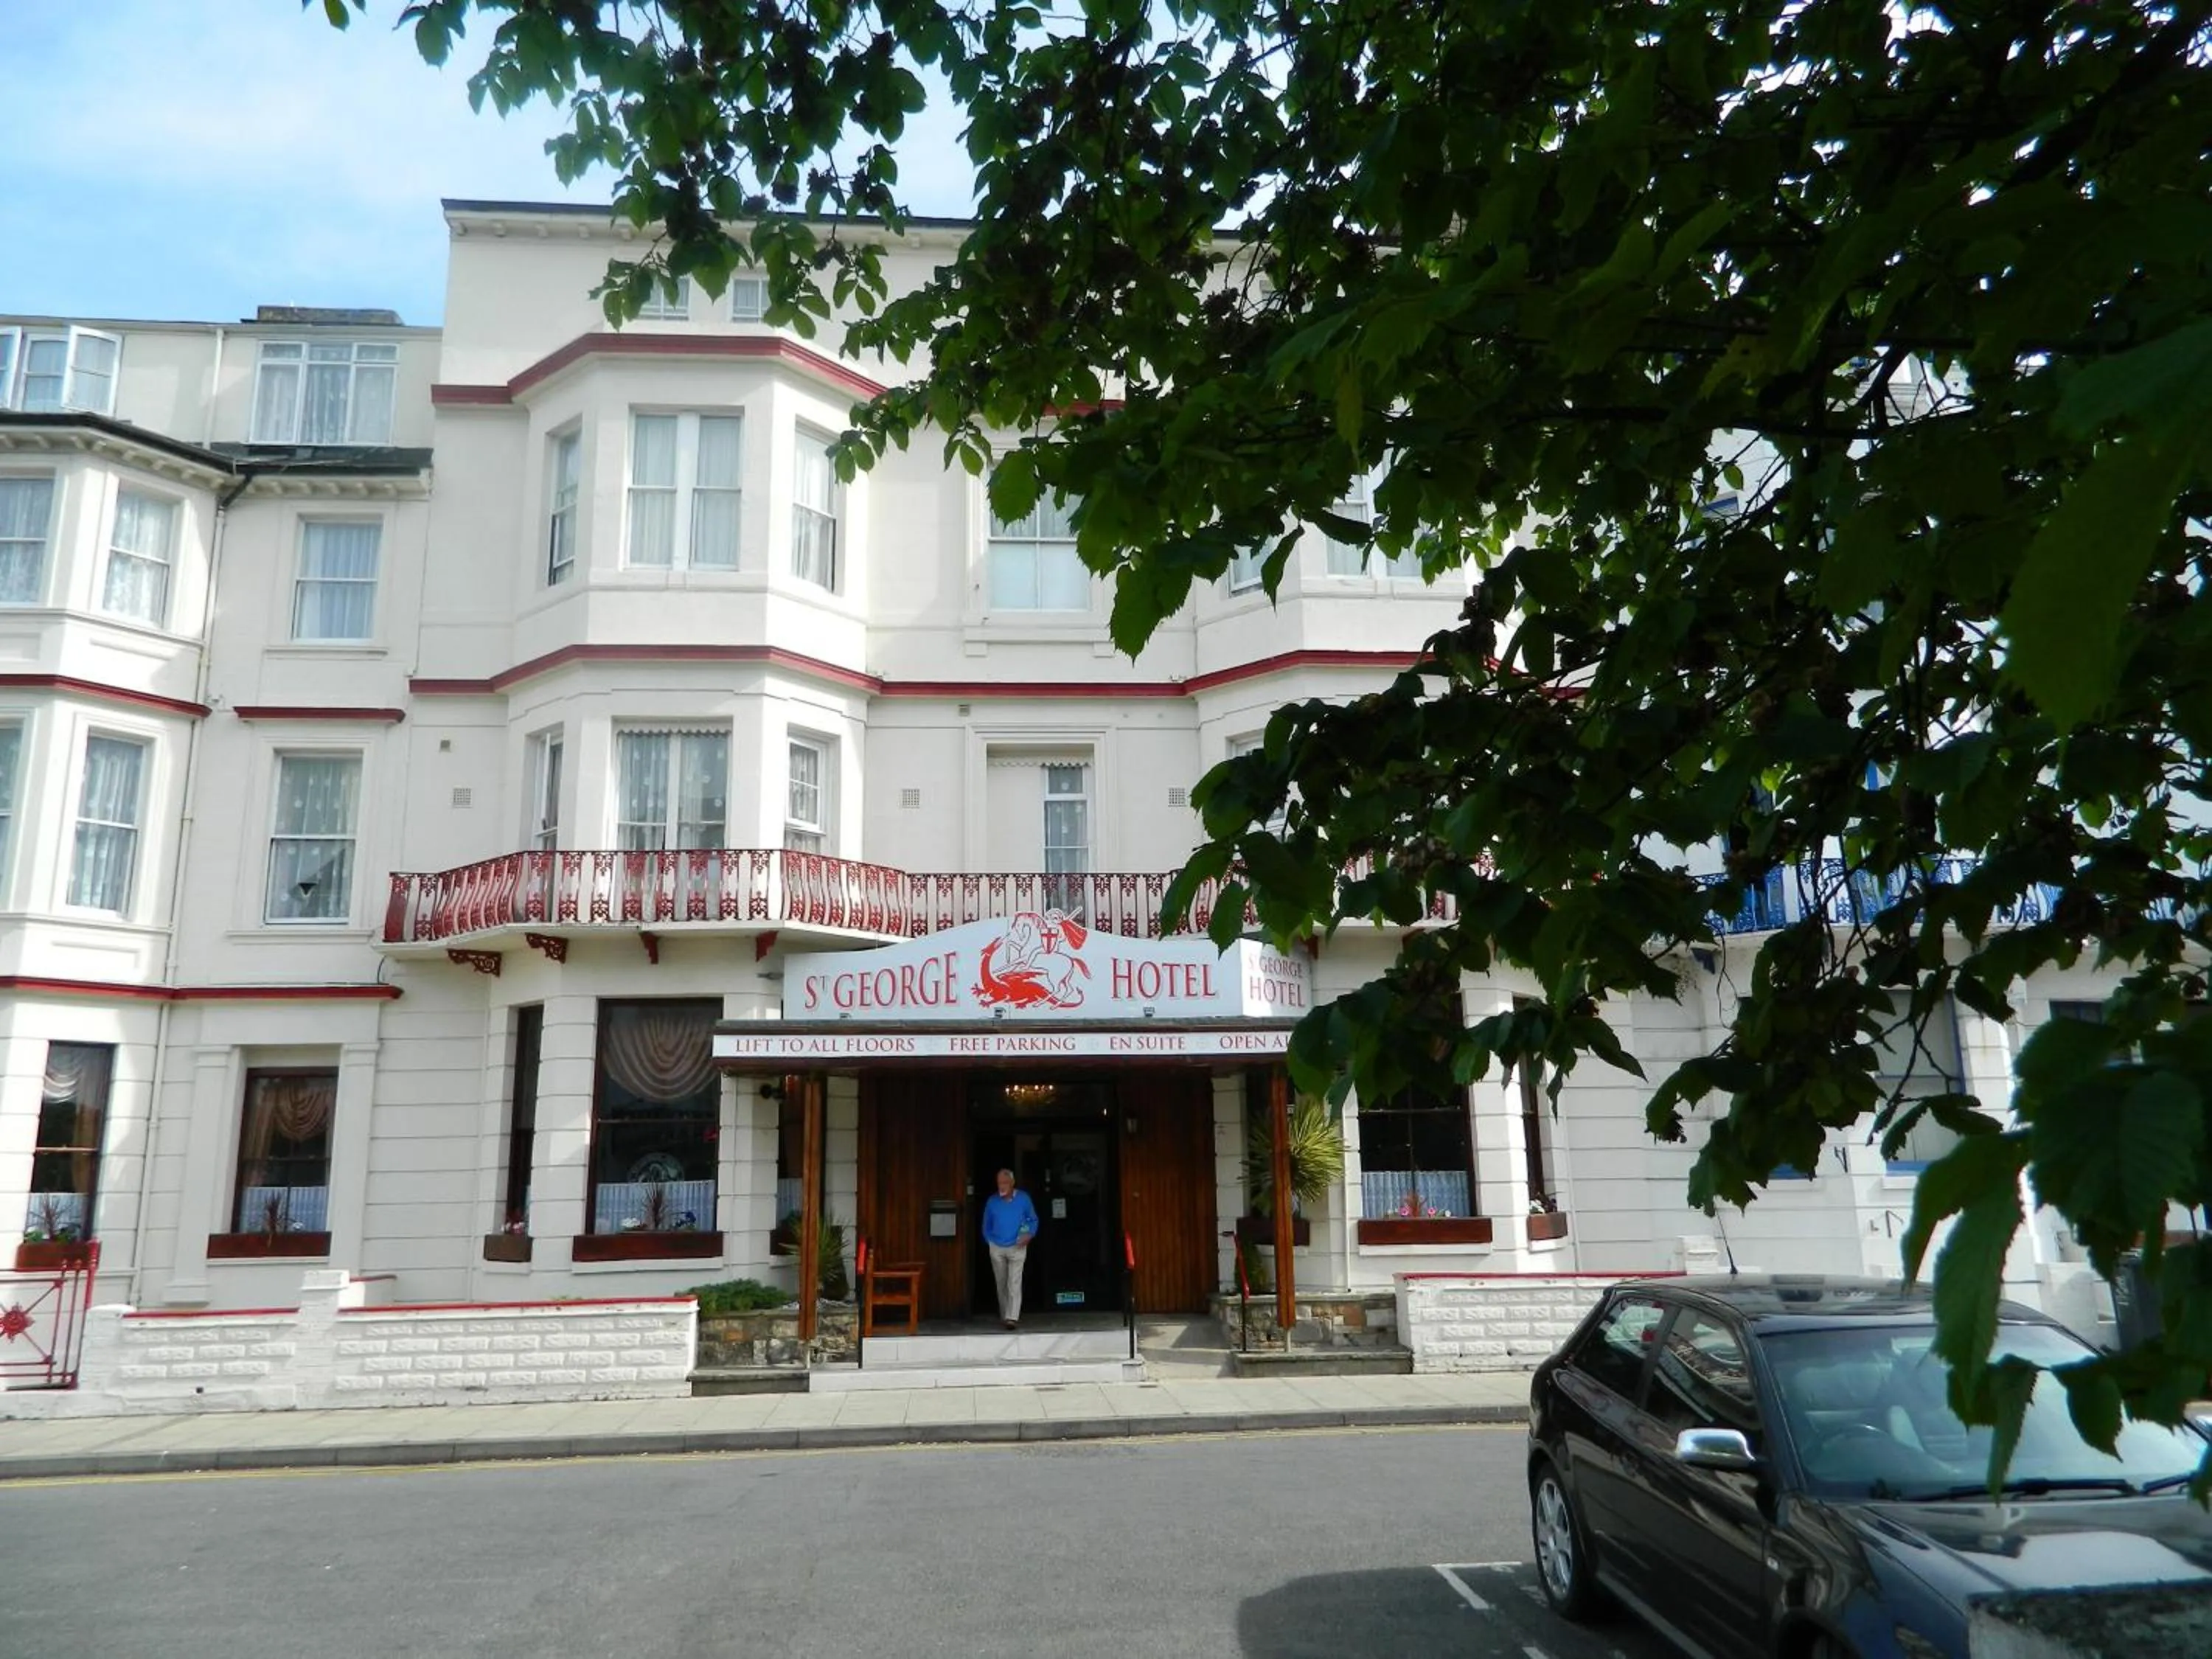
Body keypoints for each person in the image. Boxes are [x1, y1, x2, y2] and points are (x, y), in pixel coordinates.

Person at [981, 1167, 1040, 1328]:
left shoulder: (1024, 1199)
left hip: (1017, 1246)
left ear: (1012, 1183)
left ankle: (1012, 1318)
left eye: (1005, 1183)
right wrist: (990, 1242)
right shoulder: (992, 1201)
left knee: (1014, 1282)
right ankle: (1005, 1314)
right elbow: (986, 1225)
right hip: (997, 1247)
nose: (1002, 1186)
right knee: (1001, 1282)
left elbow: (1033, 1220)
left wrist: (1029, 1235)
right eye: (999, 1183)